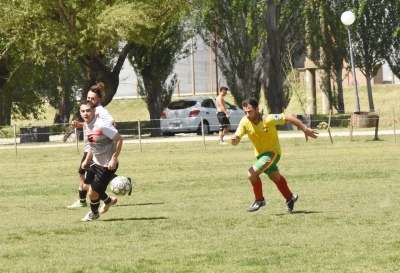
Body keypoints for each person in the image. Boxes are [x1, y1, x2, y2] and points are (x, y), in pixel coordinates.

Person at [230, 98, 318, 213]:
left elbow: (289, 117)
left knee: (251, 174)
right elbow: (235, 141)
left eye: (250, 111)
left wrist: (305, 129)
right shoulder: (244, 122)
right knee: (274, 176)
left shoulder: (268, 119)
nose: (247, 115)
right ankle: (290, 197)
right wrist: (234, 140)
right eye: (245, 112)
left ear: (257, 109)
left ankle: (259, 200)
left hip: (273, 153)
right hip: (260, 156)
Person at [67, 82, 116, 208]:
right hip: (90, 147)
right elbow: (91, 124)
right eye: (88, 98)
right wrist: (80, 125)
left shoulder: (100, 110)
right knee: (84, 175)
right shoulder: (89, 110)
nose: (90, 100)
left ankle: (86, 200)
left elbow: (111, 123)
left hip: (93, 148)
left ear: (98, 100)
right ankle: (110, 187)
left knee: (82, 174)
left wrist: (105, 136)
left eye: (92, 98)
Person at [79, 99, 123, 221]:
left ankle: (94, 213)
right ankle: (108, 200)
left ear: (93, 111)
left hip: (106, 165)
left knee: (92, 192)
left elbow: (119, 139)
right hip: (95, 161)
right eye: (82, 111)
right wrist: (87, 160)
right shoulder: (86, 125)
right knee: (86, 185)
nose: (85, 114)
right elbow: (93, 144)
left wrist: (114, 158)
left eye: (88, 111)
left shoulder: (102, 125)